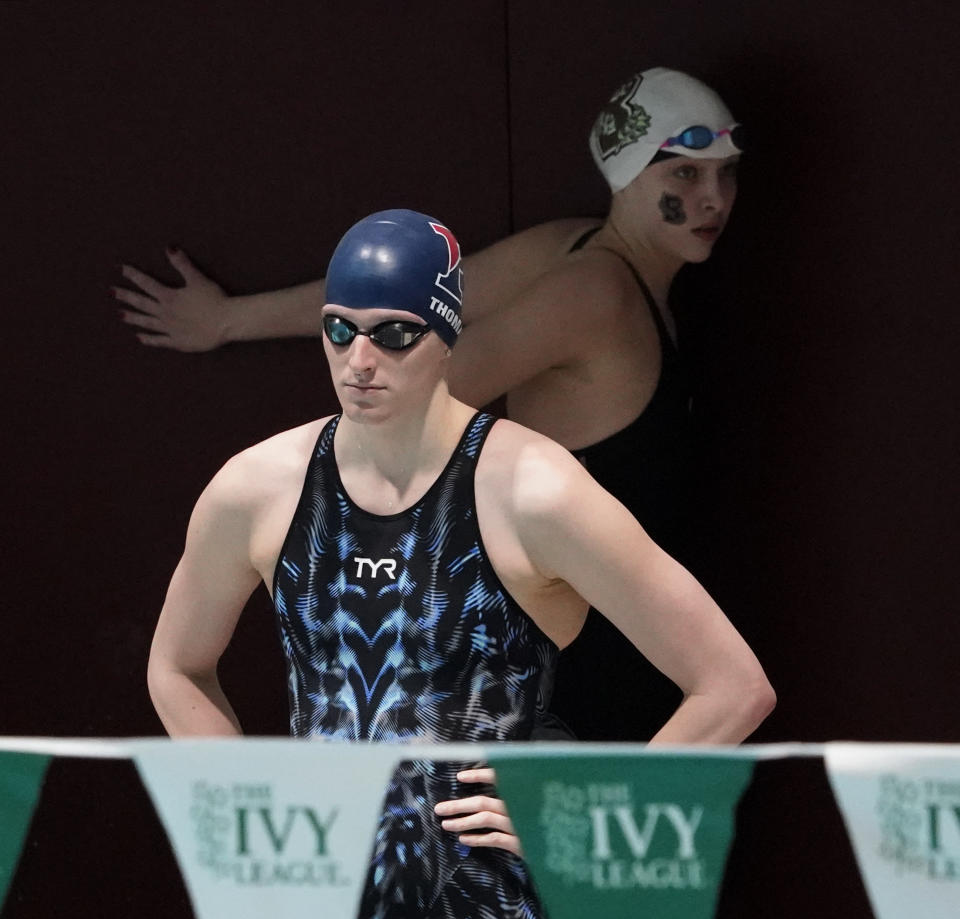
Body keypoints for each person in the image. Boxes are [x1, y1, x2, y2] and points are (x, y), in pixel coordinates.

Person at [147, 208, 773, 919]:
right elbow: (176, 669)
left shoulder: (534, 491)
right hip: (327, 911)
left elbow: (731, 686)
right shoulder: (257, 489)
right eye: (340, 329)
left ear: (445, 337)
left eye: (394, 333)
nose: (361, 358)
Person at [118, 65, 741, 742]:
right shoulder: (595, 294)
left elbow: (411, 307)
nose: (713, 198)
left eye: (725, 172)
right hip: (570, 660)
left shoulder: (573, 251)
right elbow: (402, 338)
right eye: (684, 173)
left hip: (588, 640)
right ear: (626, 175)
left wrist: (234, 319)